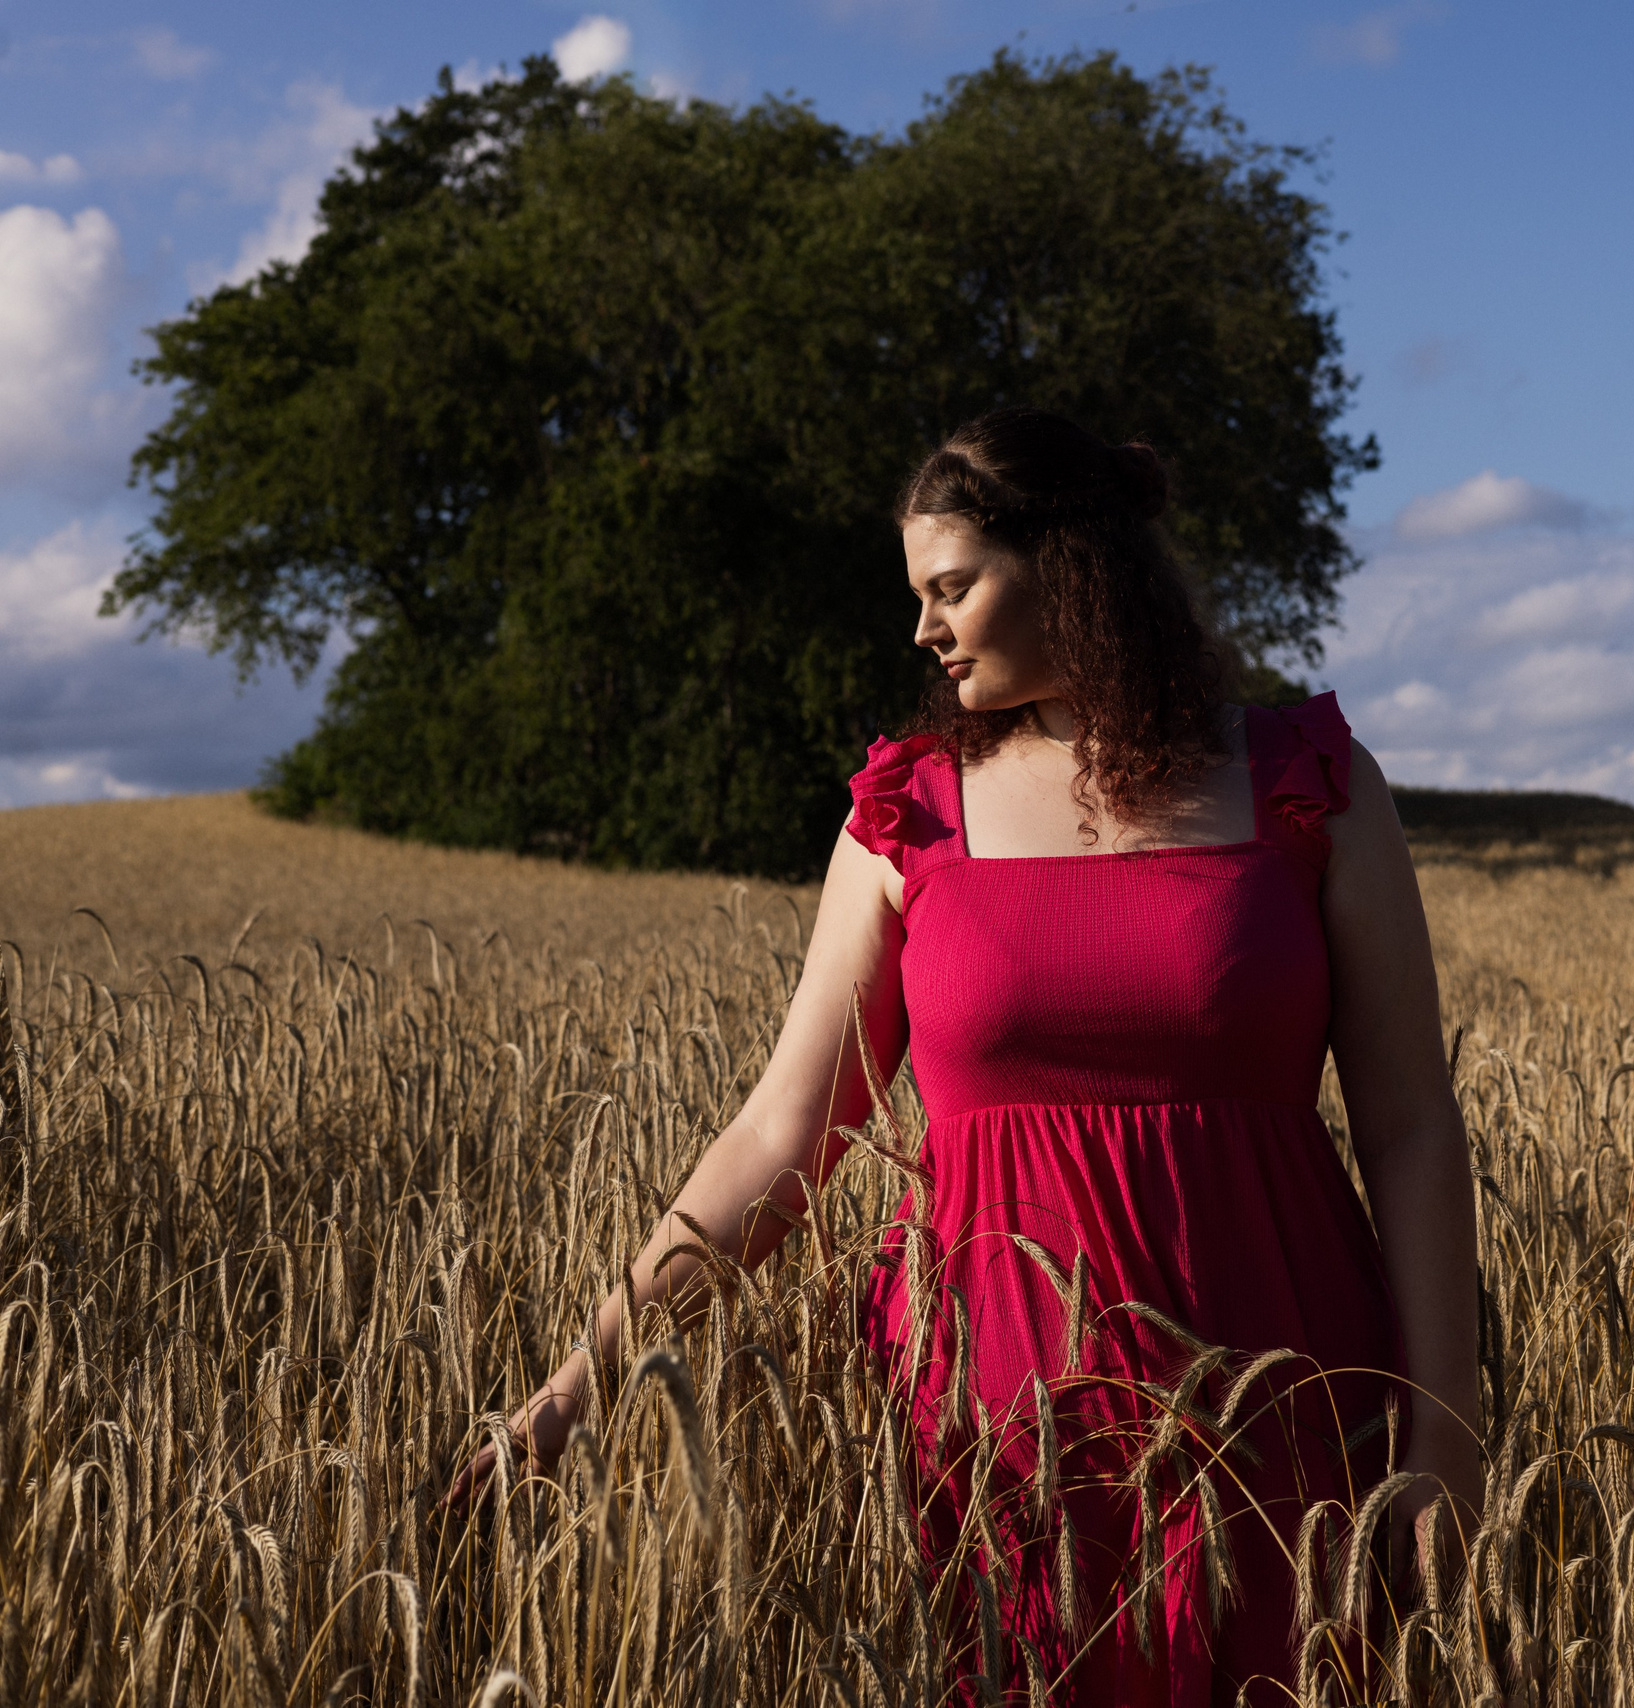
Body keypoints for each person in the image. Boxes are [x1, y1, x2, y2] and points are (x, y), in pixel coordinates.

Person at [448, 407, 1482, 1702]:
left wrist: (1444, 1439)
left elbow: (1411, 1129)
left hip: (1282, 1399)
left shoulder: (1305, 784)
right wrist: (579, 1380)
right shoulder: (909, 813)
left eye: (951, 589)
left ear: (1070, 566)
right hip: (998, 1431)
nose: (924, 632)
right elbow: (784, 1135)